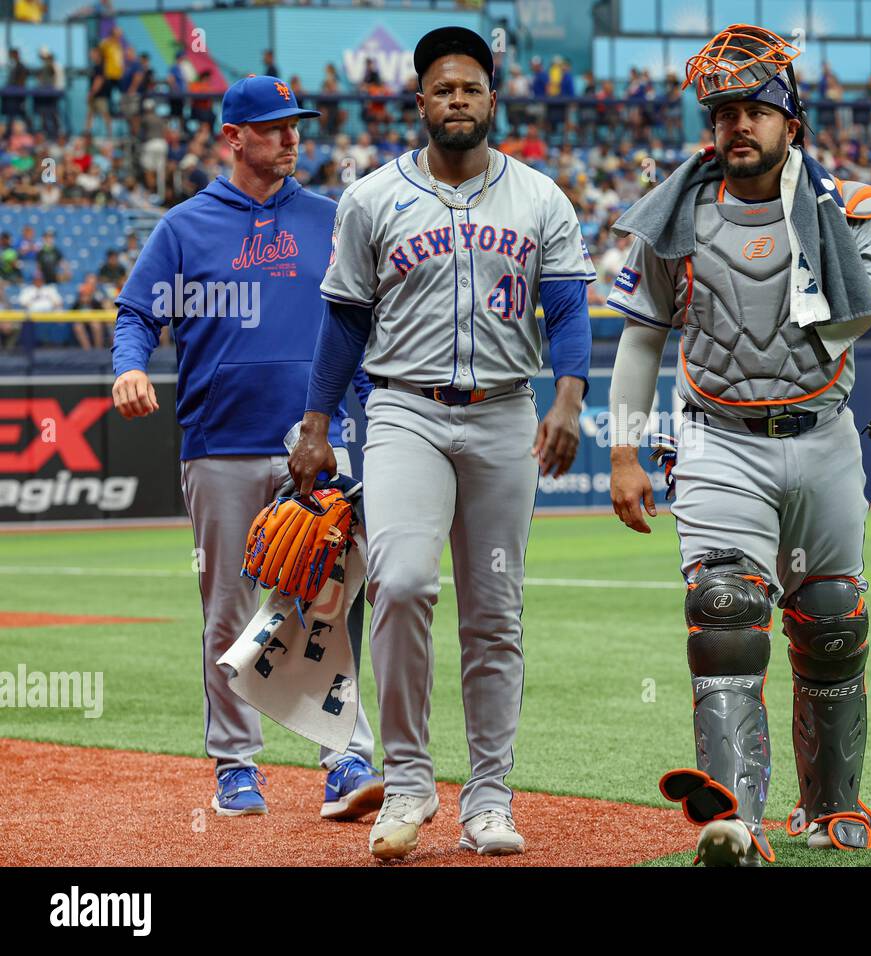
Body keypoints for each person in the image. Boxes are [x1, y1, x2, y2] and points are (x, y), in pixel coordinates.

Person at [606, 24, 871, 867]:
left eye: (755, 110)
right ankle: (735, 822)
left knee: (831, 619)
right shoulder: (669, 216)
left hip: (824, 435)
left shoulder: (849, 208)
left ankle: (830, 806)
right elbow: (641, 341)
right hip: (719, 439)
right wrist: (622, 451)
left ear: (792, 122)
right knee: (724, 614)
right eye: (723, 114)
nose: (737, 126)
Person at [288, 27, 594, 862]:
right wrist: (315, 425)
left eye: (470, 87)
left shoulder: (540, 198)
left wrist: (568, 401)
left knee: (494, 615)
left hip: (501, 413)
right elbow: (345, 319)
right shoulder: (370, 197)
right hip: (404, 412)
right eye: (441, 88)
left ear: (492, 100)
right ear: (419, 102)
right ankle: (412, 779)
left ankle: (489, 800)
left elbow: (567, 311)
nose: (456, 99)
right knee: (403, 579)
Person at [111, 75, 382, 823]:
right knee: (228, 609)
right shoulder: (184, 227)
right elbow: (137, 311)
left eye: (296, 125)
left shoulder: (333, 217)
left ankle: (346, 758)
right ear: (233, 137)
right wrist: (130, 365)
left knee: (330, 602)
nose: (291, 138)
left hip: (319, 444)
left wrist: (365, 415)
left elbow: (367, 324)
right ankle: (235, 764)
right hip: (220, 441)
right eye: (273, 127)